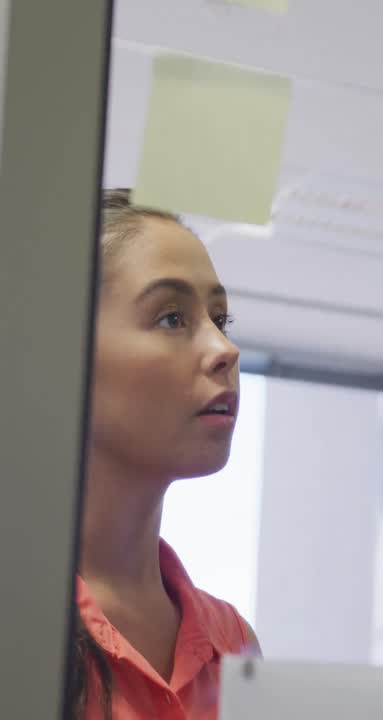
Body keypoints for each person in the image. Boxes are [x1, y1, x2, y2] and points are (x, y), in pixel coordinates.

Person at [68, 189, 261, 720]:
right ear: (66, 348)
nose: (225, 351)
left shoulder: (234, 641)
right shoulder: (17, 609)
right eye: (172, 318)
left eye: (221, 320)